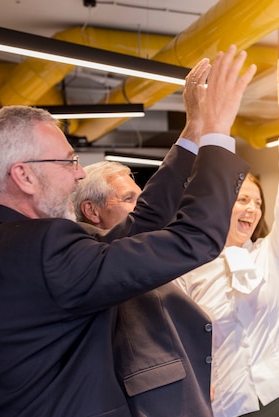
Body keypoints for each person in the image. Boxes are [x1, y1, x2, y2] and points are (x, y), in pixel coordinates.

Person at [0, 45, 255, 417]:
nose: (79, 172)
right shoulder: (47, 254)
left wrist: (193, 134)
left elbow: (134, 231)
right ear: (24, 176)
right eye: (67, 160)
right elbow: (194, 240)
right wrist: (217, 132)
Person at [71, 58, 218, 417]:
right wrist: (198, 129)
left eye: (140, 196)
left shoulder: (139, 252)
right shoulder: (93, 254)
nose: (140, 208)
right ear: (92, 212)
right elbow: (150, 215)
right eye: (129, 201)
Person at [175, 55, 279, 417]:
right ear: (220, 203)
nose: (252, 210)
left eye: (257, 203)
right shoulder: (188, 267)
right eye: (242, 200)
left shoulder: (268, 254)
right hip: (230, 403)